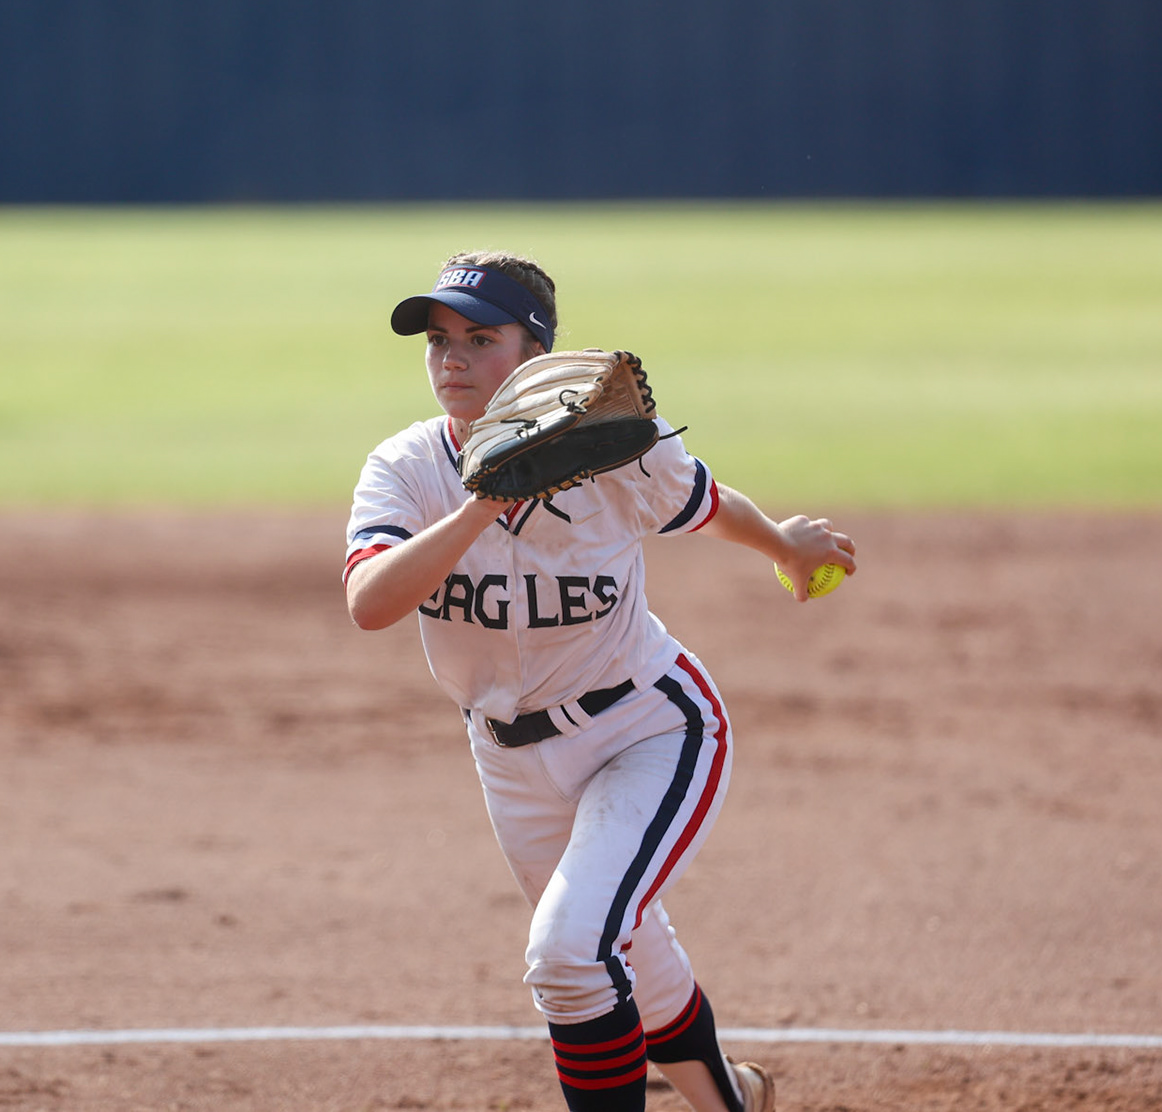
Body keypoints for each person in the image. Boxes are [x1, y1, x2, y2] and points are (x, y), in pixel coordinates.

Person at [345, 252, 855, 1112]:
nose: (452, 359)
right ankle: (736, 1100)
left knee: (570, 957)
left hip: (648, 729)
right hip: (508, 760)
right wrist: (483, 500)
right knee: (628, 958)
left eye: (480, 337)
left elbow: (705, 501)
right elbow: (370, 601)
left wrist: (784, 545)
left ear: (535, 352)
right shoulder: (405, 469)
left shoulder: (618, 453)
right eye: (438, 341)